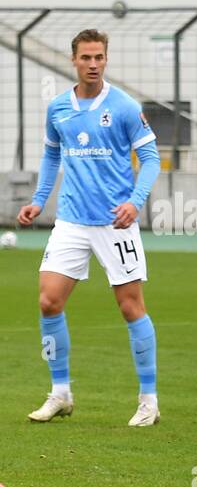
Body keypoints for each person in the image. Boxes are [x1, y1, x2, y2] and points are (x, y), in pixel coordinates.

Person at [19, 29, 161, 427]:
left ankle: (149, 399)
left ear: (106, 59)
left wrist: (135, 202)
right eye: (86, 58)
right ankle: (60, 392)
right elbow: (51, 157)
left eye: (99, 57)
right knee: (48, 301)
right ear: (74, 61)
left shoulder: (125, 107)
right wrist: (37, 199)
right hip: (70, 220)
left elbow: (151, 159)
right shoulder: (58, 108)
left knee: (131, 307)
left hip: (115, 224)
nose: (93, 64)